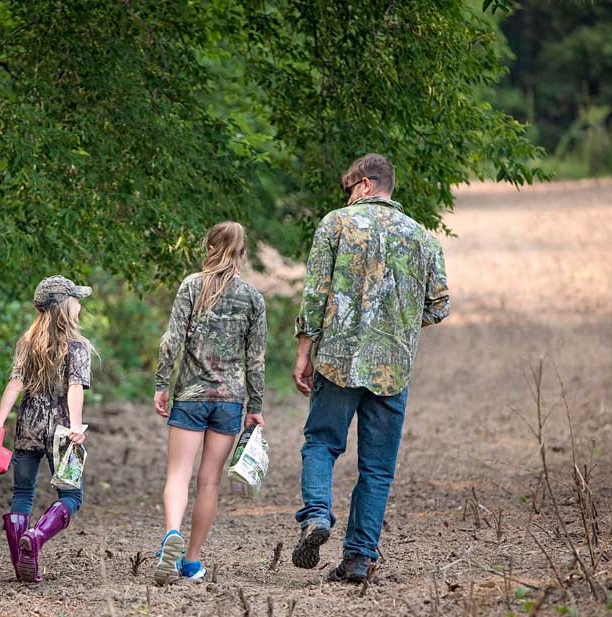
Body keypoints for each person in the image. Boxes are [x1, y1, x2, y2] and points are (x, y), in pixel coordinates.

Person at [291, 153, 450, 583]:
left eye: (349, 189)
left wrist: (304, 351)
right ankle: (359, 558)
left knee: (321, 443)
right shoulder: (420, 236)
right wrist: (395, 323)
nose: (346, 198)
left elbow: (315, 294)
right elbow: (440, 305)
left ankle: (317, 514)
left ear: (363, 184)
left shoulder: (335, 224)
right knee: (377, 468)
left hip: (339, 359)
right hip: (392, 369)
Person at [153, 221, 267, 585]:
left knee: (178, 475)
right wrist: (255, 405)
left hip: (190, 396)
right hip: (230, 401)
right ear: (243, 253)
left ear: (209, 247)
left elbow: (172, 339)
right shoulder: (253, 298)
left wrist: (161, 383)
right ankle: (191, 561)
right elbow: (256, 358)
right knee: (209, 484)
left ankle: (172, 533)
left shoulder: (191, 286)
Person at [0, 275, 94, 583]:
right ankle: (35, 537)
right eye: (76, 300)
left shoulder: (27, 343)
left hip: (28, 428)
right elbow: (75, 387)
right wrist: (75, 426)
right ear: (64, 307)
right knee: (71, 496)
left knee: (22, 493)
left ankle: (22, 564)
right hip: (62, 434)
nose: (80, 305)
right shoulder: (78, 346)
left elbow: (14, 384)